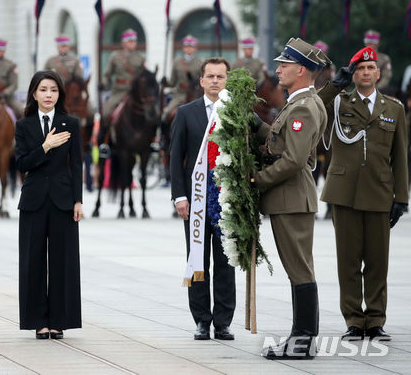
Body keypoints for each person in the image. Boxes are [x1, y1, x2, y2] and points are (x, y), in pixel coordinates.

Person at [317, 46, 408, 342]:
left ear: (378, 74)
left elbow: (401, 157)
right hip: (345, 193)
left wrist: (402, 198)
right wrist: (334, 86)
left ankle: (376, 320)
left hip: (380, 193)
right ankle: (355, 320)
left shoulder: (393, 108)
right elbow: (312, 109)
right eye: (360, 69)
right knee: (349, 261)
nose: (366, 73)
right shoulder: (339, 102)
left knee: (378, 261)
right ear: (353, 74)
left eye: (370, 68)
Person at [251, 37, 327, 359]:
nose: (278, 69)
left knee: (299, 270)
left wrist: (258, 180)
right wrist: (255, 124)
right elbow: (280, 143)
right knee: (298, 268)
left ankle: (303, 340)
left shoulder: (304, 107)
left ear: (301, 70)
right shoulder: (298, 103)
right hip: (290, 199)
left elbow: (294, 160)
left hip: (291, 199)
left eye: (284, 64)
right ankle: (302, 337)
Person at [169, 58, 235, 341]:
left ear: (227, 80)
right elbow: (175, 157)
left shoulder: (234, 111)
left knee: (225, 261)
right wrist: (179, 196)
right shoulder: (186, 112)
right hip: (195, 199)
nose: (215, 81)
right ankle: (201, 321)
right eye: (210, 76)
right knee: (198, 260)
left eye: (220, 76)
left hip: (226, 199)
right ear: (201, 81)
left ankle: (222, 322)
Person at [15, 70, 83, 340]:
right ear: (34, 93)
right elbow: (21, 163)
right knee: (32, 261)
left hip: (63, 200)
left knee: (63, 261)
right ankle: (37, 321)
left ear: (59, 94)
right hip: (33, 200)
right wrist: (45, 146)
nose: (48, 95)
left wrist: (78, 200)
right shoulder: (24, 125)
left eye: (53, 90)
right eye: (43, 90)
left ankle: (59, 321)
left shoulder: (71, 124)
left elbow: (77, 164)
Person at [98, 29, 145, 153]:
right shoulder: (115, 56)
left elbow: (144, 75)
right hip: (119, 92)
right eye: (129, 41)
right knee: (106, 113)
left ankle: (151, 141)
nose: (132, 44)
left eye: (134, 41)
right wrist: (103, 83)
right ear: (123, 43)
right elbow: (107, 74)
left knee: (150, 114)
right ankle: (104, 142)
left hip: (135, 93)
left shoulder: (140, 58)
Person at [162, 35, 204, 124]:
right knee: (166, 113)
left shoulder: (200, 62)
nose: (189, 49)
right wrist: (165, 82)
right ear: (183, 48)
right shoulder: (177, 62)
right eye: (187, 46)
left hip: (195, 95)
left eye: (191, 46)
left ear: (195, 48)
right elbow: (172, 82)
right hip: (180, 94)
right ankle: (162, 135)